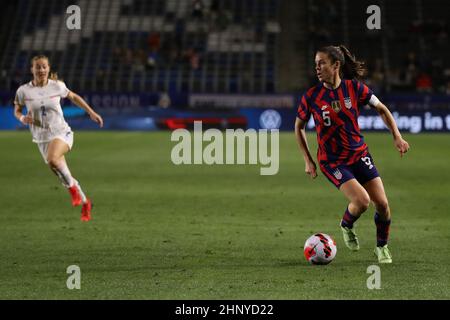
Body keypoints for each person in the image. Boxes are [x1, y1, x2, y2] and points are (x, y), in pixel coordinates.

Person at [294, 45, 410, 263]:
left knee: (383, 205)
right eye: (315, 64)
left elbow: (382, 109)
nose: (317, 68)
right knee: (363, 201)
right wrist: (308, 160)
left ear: (336, 65)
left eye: (322, 63)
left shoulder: (354, 89)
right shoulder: (312, 96)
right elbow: (298, 126)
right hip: (332, 161)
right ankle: (347, 224)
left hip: (359, 155)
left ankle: (381, 247)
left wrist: (397, 135)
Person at [14, 55, 103, 221]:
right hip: (41, 138)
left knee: (53, 160)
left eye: (44, 67)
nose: (41, 70)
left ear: (48, 68)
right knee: (63, 173)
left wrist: (91, 112)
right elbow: (17, 110)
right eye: (38, 67)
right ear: (31, 69)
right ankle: (85, 202)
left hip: (61, 132)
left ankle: (73, 191)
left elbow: (74, 97)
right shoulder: (23, 91)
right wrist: (22, 118)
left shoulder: (57, 86)